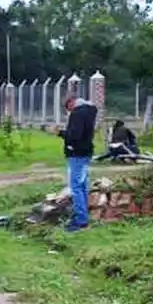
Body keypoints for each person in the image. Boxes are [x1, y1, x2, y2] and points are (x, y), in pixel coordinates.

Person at [58, 94, 98, 232]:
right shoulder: (90, 111)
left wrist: (61, 133)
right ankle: (82, 216)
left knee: (76, 187)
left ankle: (80, 221)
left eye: (67, 107)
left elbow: (74, 135)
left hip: (77, 153)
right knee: (83, 186)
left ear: (72, 103)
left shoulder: (77, 114)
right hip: (86, 152)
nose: (68, 111)